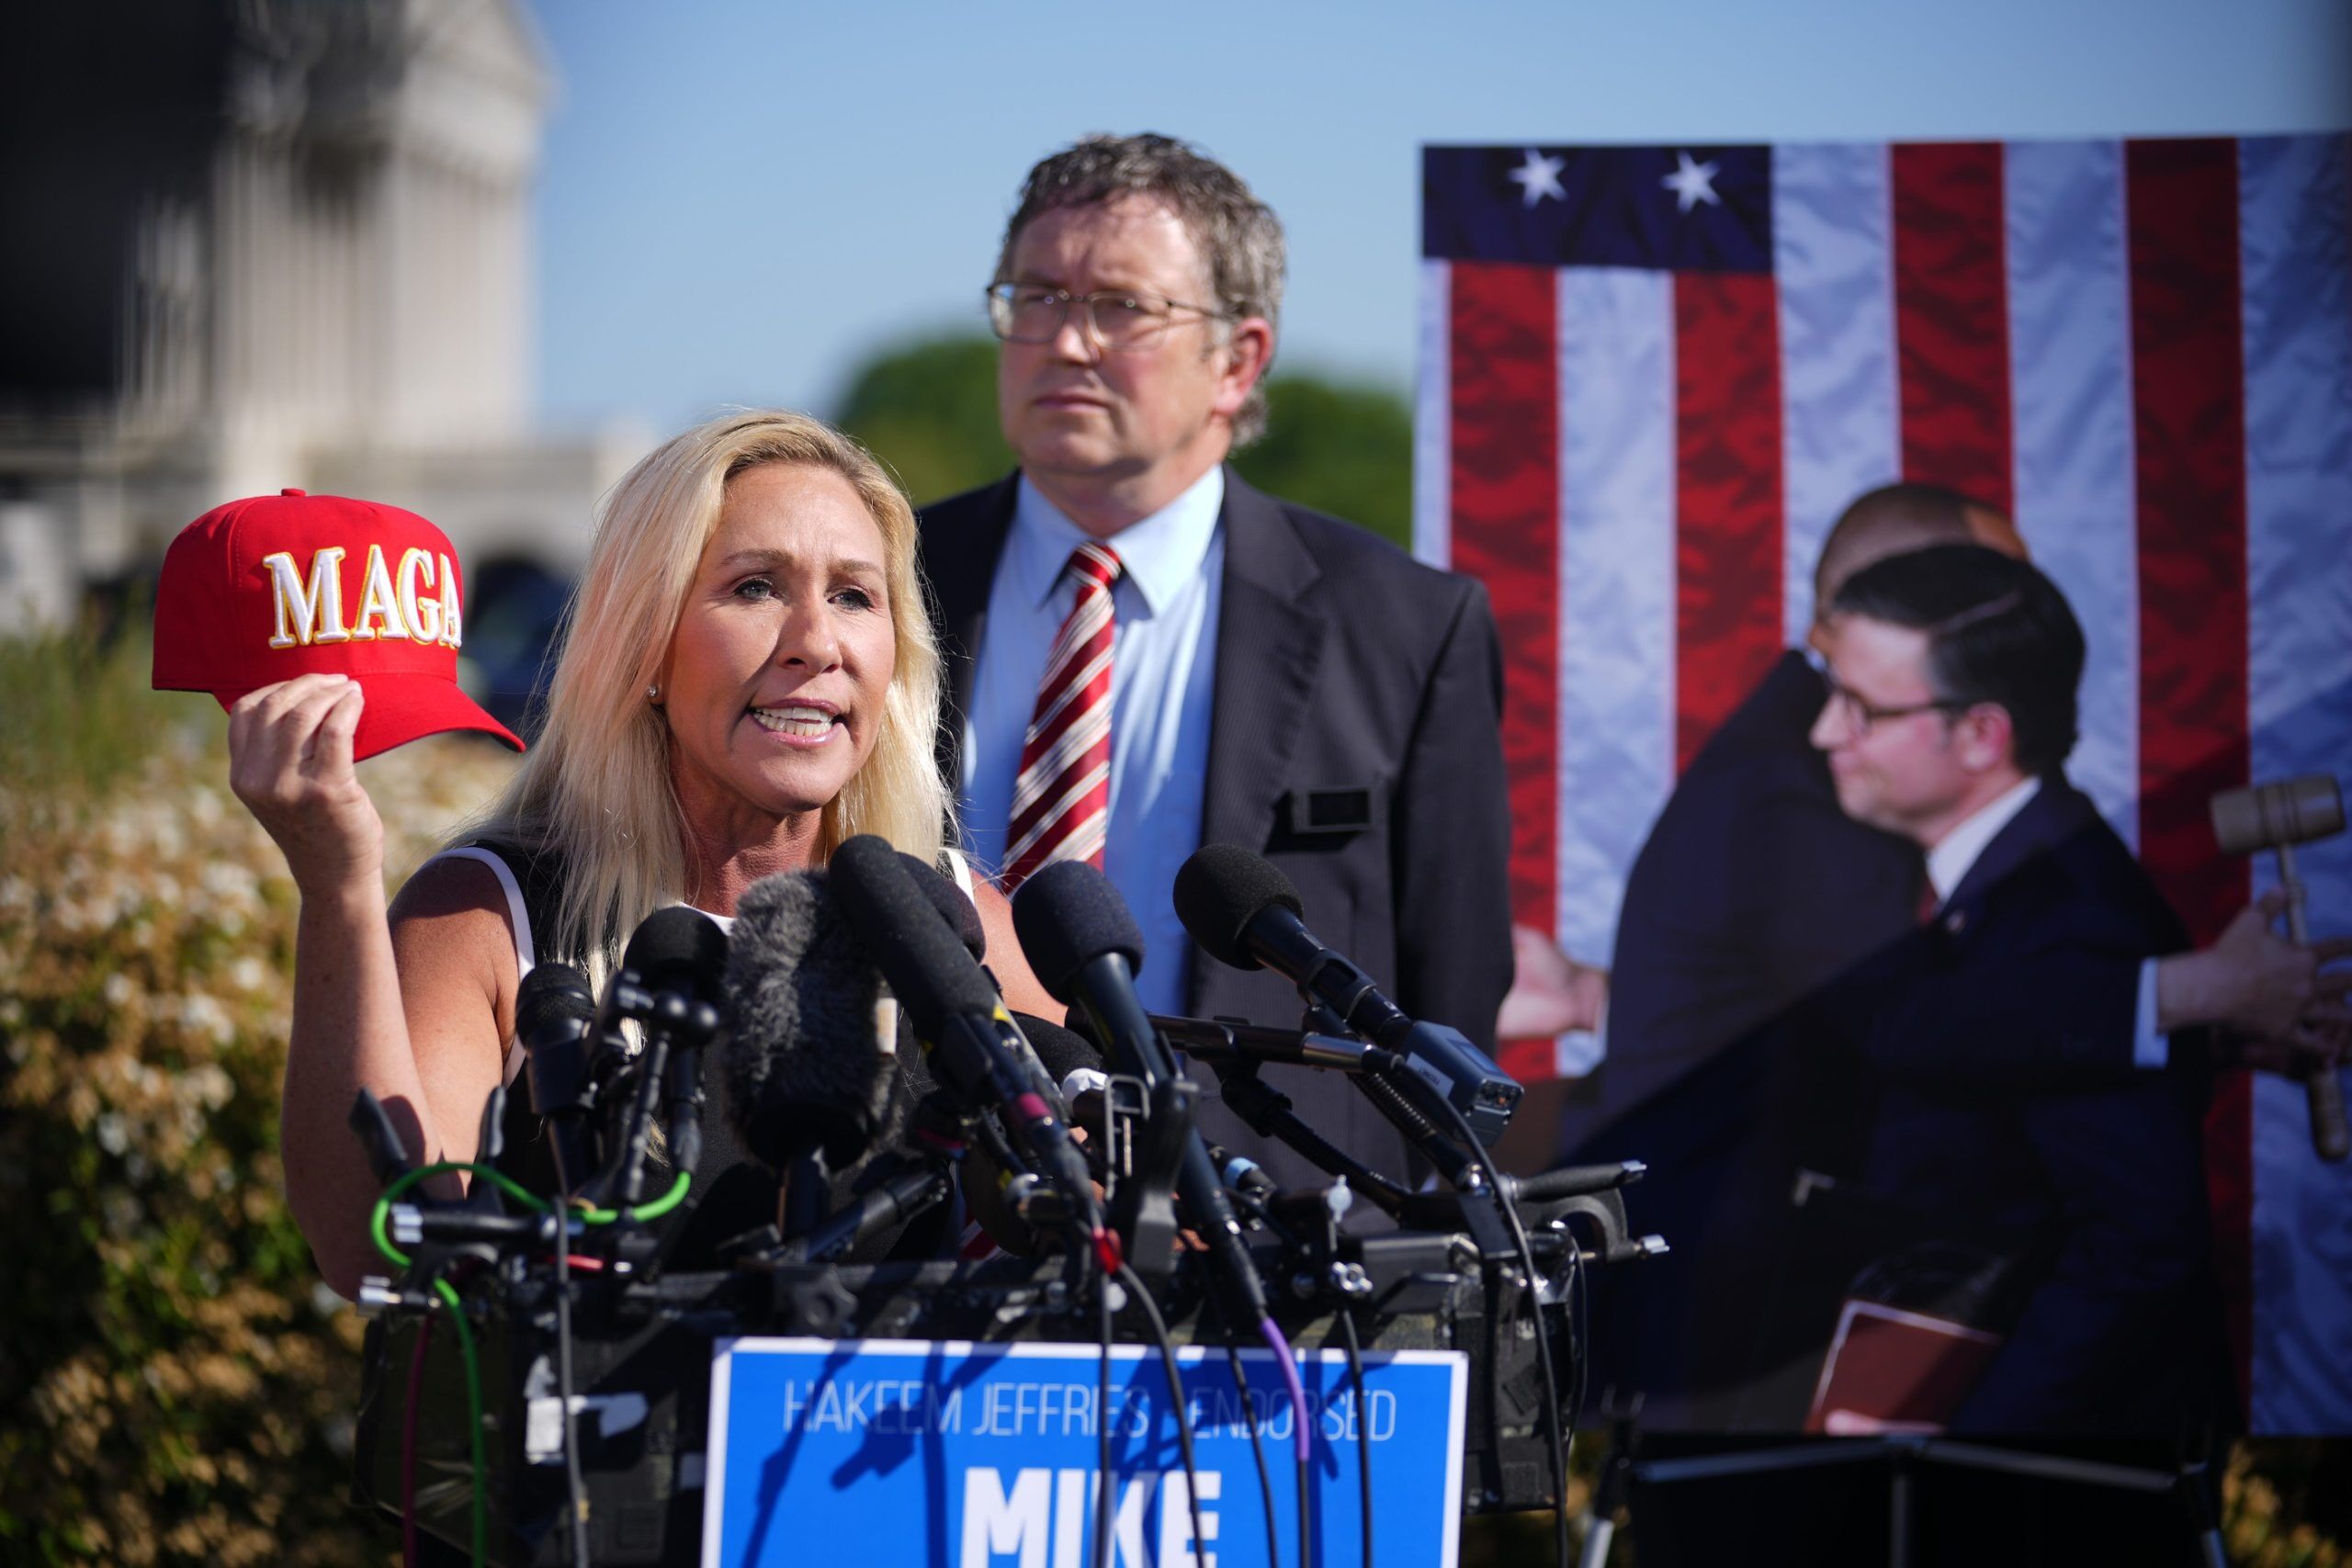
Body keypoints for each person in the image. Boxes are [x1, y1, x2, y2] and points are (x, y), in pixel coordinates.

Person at [230, 410, 1057, 1297]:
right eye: (755, 588)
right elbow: (377, 1248)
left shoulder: (943, 916)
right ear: (646, 644)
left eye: (854, 595)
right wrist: (338, 888)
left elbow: (1107, 1183)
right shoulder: (487, 913)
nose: (817, 642)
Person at [919, 133, 1512, 1193]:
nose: (1065, 341)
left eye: (1121, 307)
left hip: (1266, 1253)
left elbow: (1451, 995)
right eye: (1037, 297)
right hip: (921, 1223)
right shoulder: (876, 585)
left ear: (1238, 360)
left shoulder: (1408, 628)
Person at [1809, 546, 2351, 1433]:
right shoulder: (1992, 885)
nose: (1826, 732)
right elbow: (1922, 1031)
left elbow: (2141, 1251)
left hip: (2062, 1487)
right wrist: (2185, 1007)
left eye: (1863, 708)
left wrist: (1953, 1439)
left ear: (1983, 734)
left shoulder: (2070, 915)